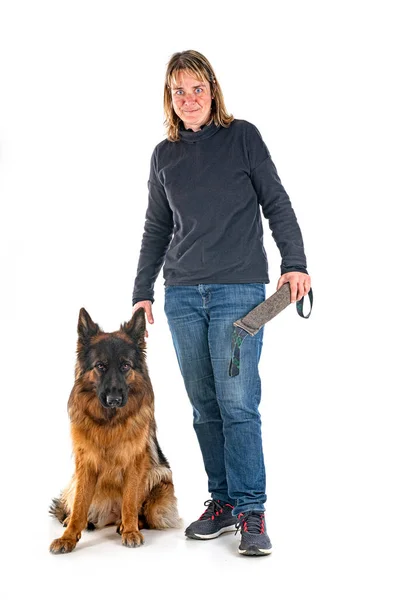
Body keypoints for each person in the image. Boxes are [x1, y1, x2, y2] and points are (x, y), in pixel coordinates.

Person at [131, 49, 311, 556]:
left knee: (237, 402)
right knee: (204, 406)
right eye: (178, 91)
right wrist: (142, 291)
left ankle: (252, 510)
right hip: (182, 295)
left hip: (240, 293)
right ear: (169, 98)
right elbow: (156, 227)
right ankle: (224, 502)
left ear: (213, 90)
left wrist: (293, 262)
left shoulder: (243, 137)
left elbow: (276, 201)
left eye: (197, 89)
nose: (188, 99)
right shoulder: (163, 155)